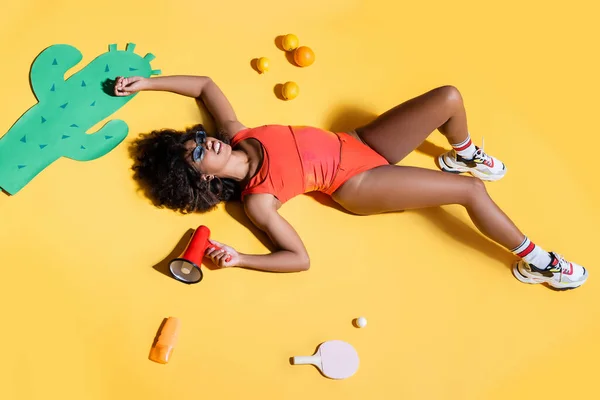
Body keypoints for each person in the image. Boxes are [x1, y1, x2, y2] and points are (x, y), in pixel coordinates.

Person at [115, 75, 588, 290]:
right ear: (200, 177)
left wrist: (145, 83)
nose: (206, 144)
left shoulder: (237, 134)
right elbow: (298, 259)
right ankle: (538, 262)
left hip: (360, 141)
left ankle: (463, 153)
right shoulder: (258, 200)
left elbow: (204, 85)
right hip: (358, 181)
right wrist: (241, 260)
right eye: (197, 153)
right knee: (469, 192)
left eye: (197, 138)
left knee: (448, 96)